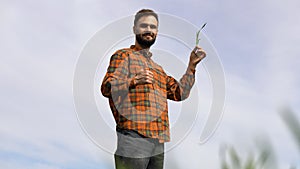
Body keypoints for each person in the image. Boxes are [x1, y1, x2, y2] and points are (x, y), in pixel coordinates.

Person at [101, 9, 206, 169]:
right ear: (135, 29)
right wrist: (133, 80)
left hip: (158, 142)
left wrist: (191, 66)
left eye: (153, 27)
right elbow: (106, 87)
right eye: (144, 26)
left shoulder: (158, 70)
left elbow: (180, 92)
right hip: (133, 135)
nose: (149, 30)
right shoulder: (123, 56)